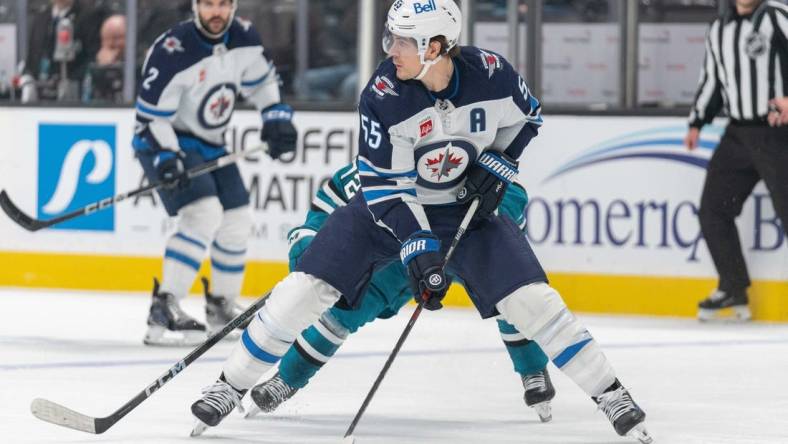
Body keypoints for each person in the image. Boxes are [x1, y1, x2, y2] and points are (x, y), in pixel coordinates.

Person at [190, 1, 652, 443]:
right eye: (390, 36)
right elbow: (386, 189)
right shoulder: (384, 94)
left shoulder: (491, 73)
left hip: (463, 212)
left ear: (434, 47)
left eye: (401, 40)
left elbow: (528, 118)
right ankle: (229, 386)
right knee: (304, 288)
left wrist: (499, 161)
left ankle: (611, 394)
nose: (390, 49)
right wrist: (420, 245)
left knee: (534, 301)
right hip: (384, 211)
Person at [243, 162, 555, 423]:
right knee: (341, 314)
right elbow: (319, 219)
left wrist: (491, 212)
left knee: (508, 294)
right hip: (395, 259)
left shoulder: (464, 153)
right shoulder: (368, 169)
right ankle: (287, 378)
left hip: (460, 246)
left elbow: (513, 199)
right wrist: (309, 250)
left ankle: (533, 369)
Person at [132, 0, 297, 346]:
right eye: (209, 4)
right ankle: (164, 306)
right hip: (164, 140)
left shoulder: (244, 37)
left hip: (210, 143)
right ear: (195, 6)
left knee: (237, 219)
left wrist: (275, 116)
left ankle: (220, 306)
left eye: (224, 3)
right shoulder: (172, 49)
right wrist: (167, 156)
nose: (217, 12)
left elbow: (263, 82)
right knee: (203, 213)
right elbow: (151, 118)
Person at [684, 0, 788, 322]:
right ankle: (732, 285)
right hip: (738, 135)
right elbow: (712, 80)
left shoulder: (777, 15)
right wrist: (697, 122)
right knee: (714, 209)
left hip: (778, 133)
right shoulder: (719, 28)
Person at [22, 0, 104, 102]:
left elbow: (93, 57)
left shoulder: (90, 16)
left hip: (75, 96)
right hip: (41, 95)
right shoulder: (40, 18)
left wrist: (71, 81)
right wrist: (27, 78)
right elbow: (32, 57)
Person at [82, 14, 126, 103]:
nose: (111, 43)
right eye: (106, 39)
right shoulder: (93, 66)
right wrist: (102, 69)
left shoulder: (140, 65)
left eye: (116, 38)